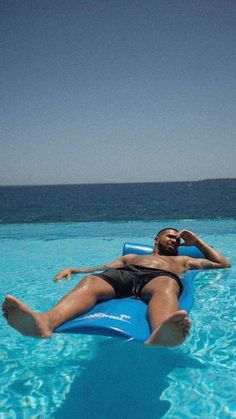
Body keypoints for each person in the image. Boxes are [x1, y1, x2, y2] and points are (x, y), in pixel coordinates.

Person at [2, 228, 230, 347]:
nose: (174, 241)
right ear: (156, 239)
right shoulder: (131, 256)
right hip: (125, 275)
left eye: (178, 240)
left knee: (167, 284)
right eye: (170, 236)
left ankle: (160, 333)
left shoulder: (183, 261)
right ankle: (45, 323)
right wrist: (74, 269)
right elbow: (101, 267)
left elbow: (223, 264)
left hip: (160, 277)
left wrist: (196, 241)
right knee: (92, 281)